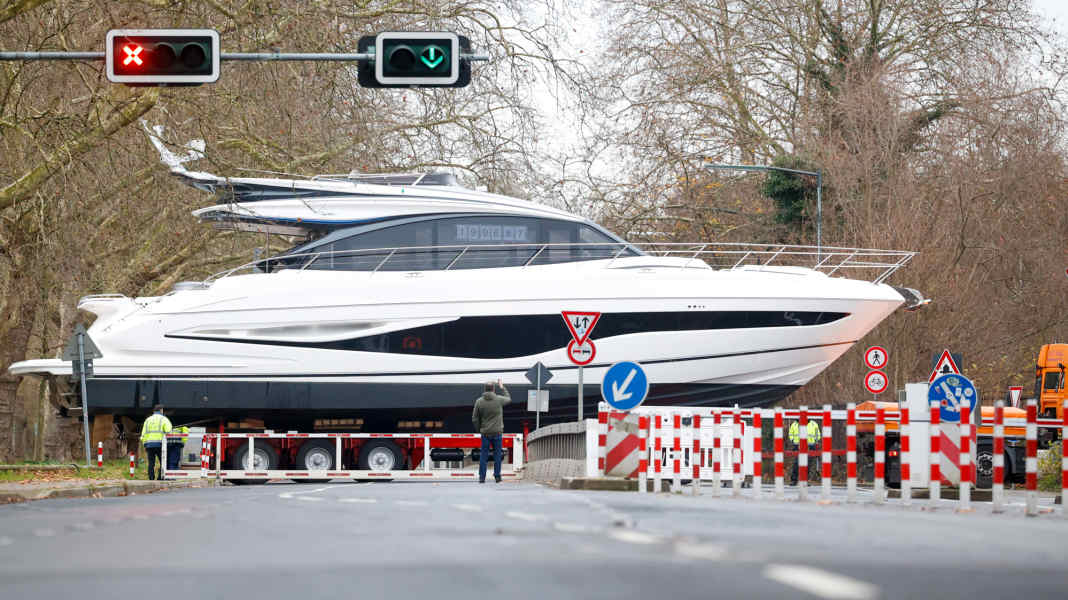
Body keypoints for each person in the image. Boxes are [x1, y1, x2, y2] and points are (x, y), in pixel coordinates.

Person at [472, 379, 511, 483]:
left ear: (485, 389)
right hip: (497, 432)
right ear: (493, 389)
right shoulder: (499, 400)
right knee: (497, 455)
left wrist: (479, 429)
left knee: (483, 456)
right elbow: (508, 399)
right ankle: (497, 476)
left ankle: (482, 477)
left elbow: (474, 418)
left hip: (485, 433)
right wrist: (502, 387)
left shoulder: (479, 401)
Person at [140, 405, 173, 480]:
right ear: (161, 410)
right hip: (160, 444)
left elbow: (143, 434)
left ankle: (151, 477)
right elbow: (169, 431)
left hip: (149, 445)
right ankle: (160, 477)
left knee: (151, 462)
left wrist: (145, 444)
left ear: (154, 411)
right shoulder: (164, 419)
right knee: (163, 461)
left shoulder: (148, 420)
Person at [787, 418, 822, 485]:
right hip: (798, 445)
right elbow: (791, 434)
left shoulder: (814, 424)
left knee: (808, 464)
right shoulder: (794, 424)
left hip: (810, 445)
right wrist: (793, 441)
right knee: (797, 463)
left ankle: (805, 481)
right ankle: (794, 480)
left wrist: (815, 442)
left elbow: (818, 435)